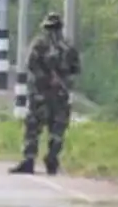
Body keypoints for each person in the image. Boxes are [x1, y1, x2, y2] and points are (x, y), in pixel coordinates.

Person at [10, 13, 81, 175]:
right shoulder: (69, 47)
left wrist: (46, 79)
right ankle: (52, 158)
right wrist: (63, 79)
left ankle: (29, 159)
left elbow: (31, 65)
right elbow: (76, 70)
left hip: (40, 94)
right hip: (60, 96)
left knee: (33, 127)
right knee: (57, 129)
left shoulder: (40, 44)